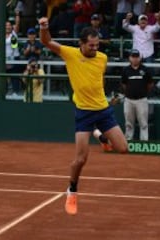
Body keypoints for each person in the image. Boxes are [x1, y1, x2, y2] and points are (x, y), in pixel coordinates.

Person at [38, 17, 128, 215]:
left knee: (123, 148)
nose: (95, 48)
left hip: (103, 110)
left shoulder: (102, 58)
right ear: (81, 43)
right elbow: (46, 42)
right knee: (80, 160)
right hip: (84, 113)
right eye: (91, 45)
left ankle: (100, 135)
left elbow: (97, 79)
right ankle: (72, 190)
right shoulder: (70, 54)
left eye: (97, 45)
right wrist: (43, 27)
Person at [121, 49, 153, 141]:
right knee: (128, 123)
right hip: (129, 100)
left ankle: (144, 141)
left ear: (140, 58)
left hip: (141, 100)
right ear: (129, 58)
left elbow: (150, 84)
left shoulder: (145, 70)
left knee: (143, 123)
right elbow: (124, 84)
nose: (135, 59)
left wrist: (142, 92)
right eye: (133, 57)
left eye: (136, 57)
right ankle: (128, 140)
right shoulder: (125, 70)